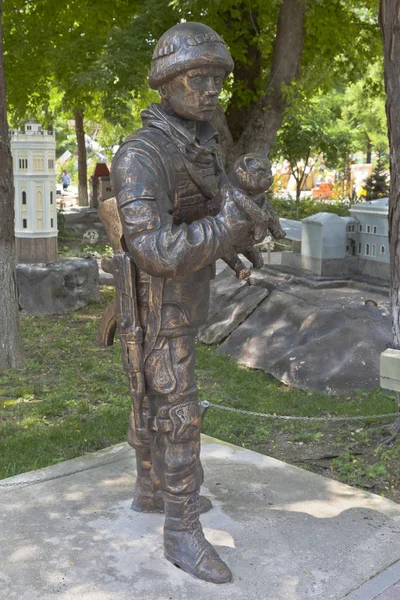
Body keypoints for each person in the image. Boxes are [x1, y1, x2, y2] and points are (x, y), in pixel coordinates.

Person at [111, 22, 269, 584]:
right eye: (197, 77)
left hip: (183, 297)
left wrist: (239, 226)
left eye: (217, 79)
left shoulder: (196, 147)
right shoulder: (141, 153)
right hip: (155, 305)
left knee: (163, 403)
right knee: (177, 412)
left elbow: (206, 216)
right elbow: (152, 248)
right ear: (168, 83)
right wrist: (228, 225)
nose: (210, 90)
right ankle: (180, 530)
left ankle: (152, 491)